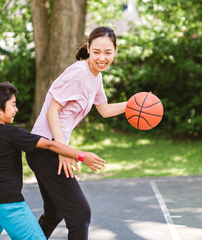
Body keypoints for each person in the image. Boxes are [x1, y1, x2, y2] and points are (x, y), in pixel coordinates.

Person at [0, 81, 106, 240]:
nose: (16, 109)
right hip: (10, 205)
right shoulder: (12, 133)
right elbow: (50, 144)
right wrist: (80, 155)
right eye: (13, 104)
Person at [26, 26, 128, 240]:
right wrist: (64, 150)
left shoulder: (95, 77)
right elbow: (52, 111)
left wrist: (133, 104)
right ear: (89, 49)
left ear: (115, 50)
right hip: (47, 149)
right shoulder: (78, 73)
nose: (102, 57)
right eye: (97, 51)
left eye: (108, 52)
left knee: (55, 213)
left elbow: (105, 109)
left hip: (48, 148)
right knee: (81, 214)